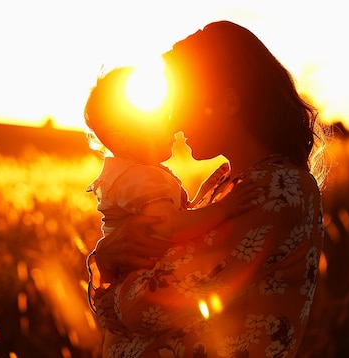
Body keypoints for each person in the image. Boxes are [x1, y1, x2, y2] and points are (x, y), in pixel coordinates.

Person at [87, 20, 329, 357]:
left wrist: (103, 274)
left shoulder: (279, 190)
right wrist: (108, 259)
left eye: (181, 103)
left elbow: (150, 304)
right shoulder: (222, 182)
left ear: (228, 103)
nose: (173, 121)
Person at [83, 66, 260, 315]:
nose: (173, 128)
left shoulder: (130, 175)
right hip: (142, 287)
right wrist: (223, 208)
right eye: (157, 123)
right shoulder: (141, 177)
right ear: (121, 139)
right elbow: (171, 226)